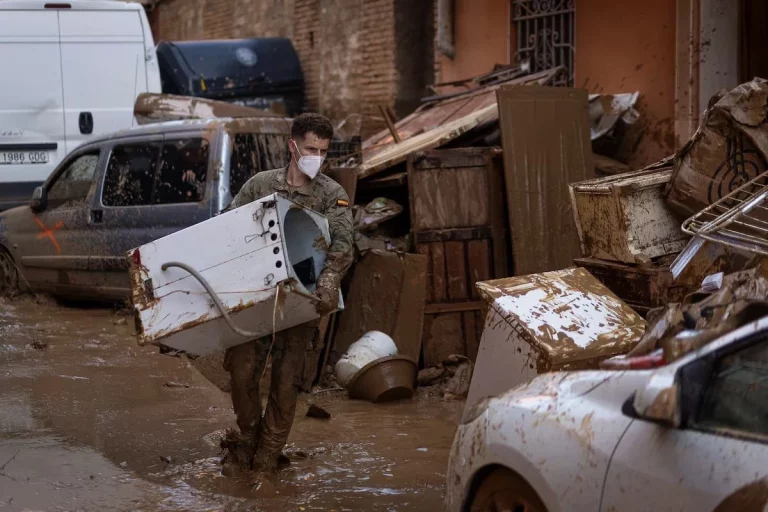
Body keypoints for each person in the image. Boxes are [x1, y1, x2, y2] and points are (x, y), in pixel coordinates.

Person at [221, 113, 353, 474]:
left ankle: (267, 459)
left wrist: (328, 283)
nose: (317, 157)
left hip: (303, 298)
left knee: (286, 382)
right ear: (292, 146)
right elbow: (228, 226)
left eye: (323, 151)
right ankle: (249, 440)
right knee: (242, 373)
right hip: (258, 295)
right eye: (311, 149)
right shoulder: (260, 185)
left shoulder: (332, 194)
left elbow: (342, 245)